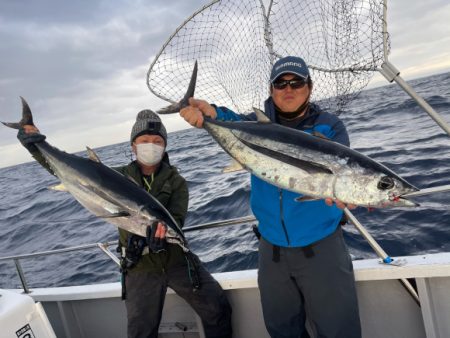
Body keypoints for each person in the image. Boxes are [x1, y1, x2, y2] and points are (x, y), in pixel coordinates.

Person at [179, 56, 361, 338]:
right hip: (271, 252)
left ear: (309, 87)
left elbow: (344, 172)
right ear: (271, 90)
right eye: (280, 83)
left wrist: (345, 190)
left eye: (297, 82)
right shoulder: (255, 125)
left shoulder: (329, 127)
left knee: (339, 331)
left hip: (322, 248)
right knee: (281, 331)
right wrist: (208, 114)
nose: (289, 89)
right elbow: (230, 121)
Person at [17, 110, 233, 338]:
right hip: (139, 266)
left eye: (158, 141)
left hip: (177, 259)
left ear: (165, 146)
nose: (152, 145)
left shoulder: (176, 181)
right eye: (145, 141)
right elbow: (61, 171)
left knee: (218, 308)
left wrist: (163, 236)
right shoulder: (115, 175)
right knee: (141, 331)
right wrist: (35, 146)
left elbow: (176, 220)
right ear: (133, 145)